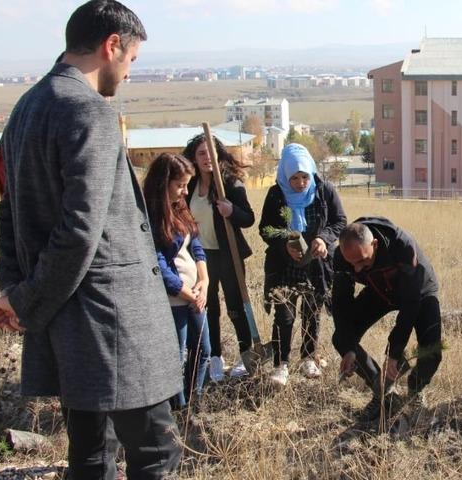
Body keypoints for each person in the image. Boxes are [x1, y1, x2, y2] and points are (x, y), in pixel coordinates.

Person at [0, 1, 182, 477]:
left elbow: (7, 215)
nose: (130, 72)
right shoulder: (88, 111)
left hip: (66, 324)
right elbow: (79, 232)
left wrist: (15, 291)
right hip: (111, 322)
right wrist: (25, 299)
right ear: (111, 45)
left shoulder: (26, 108)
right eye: (132, 59)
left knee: (91, 454)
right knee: (156, 453)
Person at [332, 218, 442, 420]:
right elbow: (340, 303)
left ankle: (415, 390)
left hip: (418, 291)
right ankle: (382, 391)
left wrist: (395, 350)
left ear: (374, 244)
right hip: (379, 290)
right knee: (341, 338)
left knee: (432, 350)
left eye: (363, 261)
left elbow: (411, 304)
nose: (357, 269)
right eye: (352, 263)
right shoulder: (342, 256)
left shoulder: (402, 246)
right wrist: (348, 348)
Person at [259, 143, 346, 387]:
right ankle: (281, 364)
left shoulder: (324, 190)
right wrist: (284, 243)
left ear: (311, 172)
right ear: (286, 176)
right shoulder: (277, 194)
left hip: (316, 266)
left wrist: (323, 239)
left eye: (304, 176)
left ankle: (308, 357)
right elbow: (265, 229)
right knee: (284, 317)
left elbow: (340, 221)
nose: (300, 183)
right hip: (285, 267)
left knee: (312, 313)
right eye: (294, 178)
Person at [183, 133, 255, 380]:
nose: (206, 158)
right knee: (208, 306)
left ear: (218, 155)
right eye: (201, 153)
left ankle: (246, 355)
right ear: (194, 157)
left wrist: (231, 210)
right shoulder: (190, 185)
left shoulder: (230, 183)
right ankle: (215, 358)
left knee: (236, 305)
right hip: (200, 257)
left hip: (229, 255)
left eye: (210, 153)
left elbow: (248, 218)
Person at [143, 153, 211, 409]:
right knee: (177, 354)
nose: (185, 191)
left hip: (195, 294)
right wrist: (185, 293)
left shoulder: (181, 208)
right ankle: (178, 406)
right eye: (180, 185)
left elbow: (196, 244)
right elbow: (157, 263)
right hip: (173, 299)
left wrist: (203, 281)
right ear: (164, 183)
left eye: (186, 185)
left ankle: (195, 399)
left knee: (203, 349)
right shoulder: (150, 216)